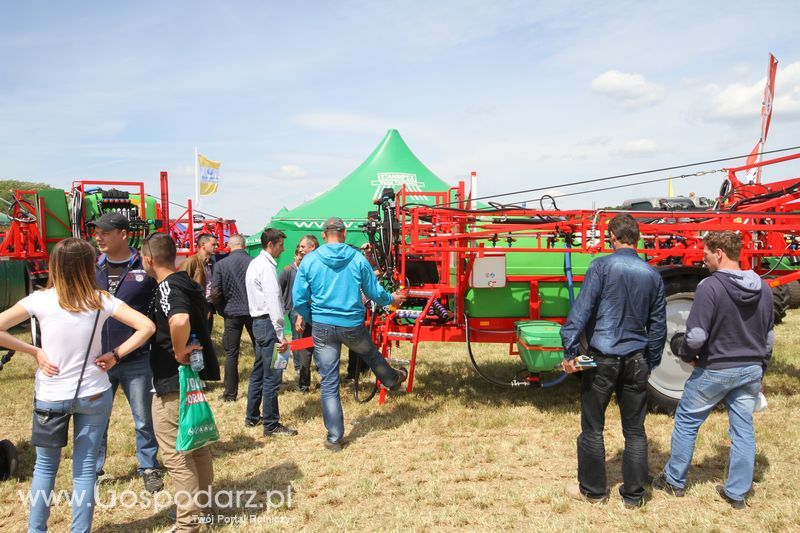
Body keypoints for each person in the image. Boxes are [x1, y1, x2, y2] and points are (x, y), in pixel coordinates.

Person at [0, 238, 154, 533]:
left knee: (45, 468)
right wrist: (116, 354)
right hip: (94, 391)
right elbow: (146, 326)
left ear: (54, 265)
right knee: (84, 470)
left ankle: (36, 529)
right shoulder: (101, 299)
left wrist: (33, 350)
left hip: (51, 394)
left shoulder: (39, 300)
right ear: (87, 266)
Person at [652, 231, 773, 510]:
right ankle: (737, 493)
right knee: (743, 429)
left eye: (705, 252)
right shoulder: (764, 288)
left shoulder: (710, 286)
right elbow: (768, 338)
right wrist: (760, 367)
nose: (702, 257)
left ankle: (674, 480)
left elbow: (695, 336)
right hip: (750, 368)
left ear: (719, 252)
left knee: (686, 421)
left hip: (716, 368)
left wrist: (686, 356)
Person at [560, 214, 666, 508]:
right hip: (636, 359)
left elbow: (580, 312)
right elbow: (658, 327)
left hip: (599, 357)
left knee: (592, 426)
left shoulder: (601, 267)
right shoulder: (652, 274)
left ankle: (593, 491)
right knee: (635, 431)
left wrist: (569, 352)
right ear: (638, 239)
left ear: (611, 238)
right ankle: (634, 496)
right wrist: (651, 362)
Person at [292, 217, 408, 452]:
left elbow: (299, 299)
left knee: (329, 382)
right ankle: (391, 379)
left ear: (324, 236)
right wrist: (392, 299)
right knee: (370, 354)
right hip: (352, 324)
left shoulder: (310, 260)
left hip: (323, 326)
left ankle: (335, 437)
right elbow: (373, 292)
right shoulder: (357, 258)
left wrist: (312, 318)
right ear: (343, 234)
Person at [141, 233, 221, 532]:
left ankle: (188, 522)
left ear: (149, 259)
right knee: (196, 446)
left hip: (172, 379)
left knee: (177, 454)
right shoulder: (187, 281)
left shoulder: (168, 286)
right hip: (190, 378)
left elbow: (179, 320)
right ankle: (205, 507)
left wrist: (177, 350)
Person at [91, 212, 163, 492]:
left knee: (143, 418)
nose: (98, 237)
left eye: (104, 232)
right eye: (96, 232)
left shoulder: (144, 267)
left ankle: (149, 466)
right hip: (98, 360)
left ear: (123, 234)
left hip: (136, 358)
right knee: (97, 417)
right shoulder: (92, 268)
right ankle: (93, 470)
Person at [245, 228, 297, 436]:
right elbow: (274, 300)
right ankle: (271, 424)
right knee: (272, 375)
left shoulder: (255, 263)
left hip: (259, 324)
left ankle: (252, 416)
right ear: (271, 245)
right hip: (268, 325)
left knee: (259, 371)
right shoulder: (266, 267)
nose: (283, 249)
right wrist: (281, 333)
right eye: (281, 245)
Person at [210, 234, 255, 402]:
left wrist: (222, 310)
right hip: (252, 311)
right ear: (244, 245)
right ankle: (265, 385)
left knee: (231, 354)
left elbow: (215, 292)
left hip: (231, 312)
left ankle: (230, 394)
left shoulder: (221, 265)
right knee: (260, 350)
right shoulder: (253, 262)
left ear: (229, 246)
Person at [278, 234, 319, 392]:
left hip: (309, 312)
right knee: (300, 343)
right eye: (299, 248)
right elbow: (280, 290)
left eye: (303, 247)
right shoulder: (288, 269)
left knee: (309, 345)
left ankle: (306, 380)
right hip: (298, 311)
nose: (300, 250)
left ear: (312, 247)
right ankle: (299, 378)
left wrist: (301, 315)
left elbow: (309, 292)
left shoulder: (313, 266)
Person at [181, 233, 218, 334]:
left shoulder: (212, 264)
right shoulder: (191, 261)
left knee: (206, 337)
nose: (216, 247)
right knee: (194, 338)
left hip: (208, 306)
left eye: (216, 245)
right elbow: (180, 284)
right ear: (203, 245)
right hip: (194, 307)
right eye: (213, 244)